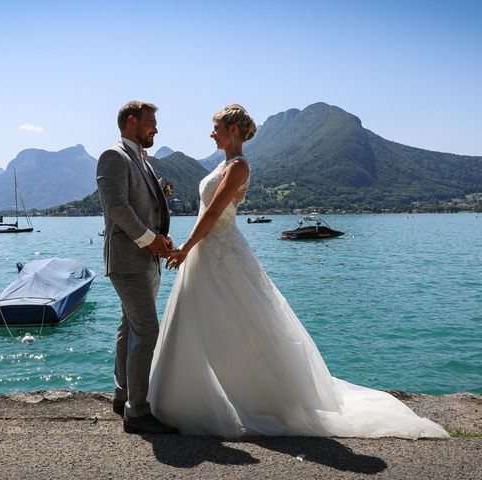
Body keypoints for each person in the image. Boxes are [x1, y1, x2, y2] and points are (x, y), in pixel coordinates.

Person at [148, 104, 448, 439]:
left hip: (218, 251)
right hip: (210, 251)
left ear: (233, 130)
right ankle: (202, 394)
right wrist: (190, 247)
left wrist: (186, 247)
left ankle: (241, 397)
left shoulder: (238, 166)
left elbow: (215, 210)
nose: (211, 132)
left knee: (235, 323)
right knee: (208, 322)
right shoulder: (222, 164)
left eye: (216, 127)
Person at [96, 100, 178, 434]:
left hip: (145, 256)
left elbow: (143, 207)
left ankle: (123, 395)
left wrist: (161, 238)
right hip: (128, 260)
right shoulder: (113, 156)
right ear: (132, 122)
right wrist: (150, 240)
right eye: (150, 122)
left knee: (129, 328)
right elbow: (117, 207)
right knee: (147, 330)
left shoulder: (139, 159)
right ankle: (138, 412)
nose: (155, 128)